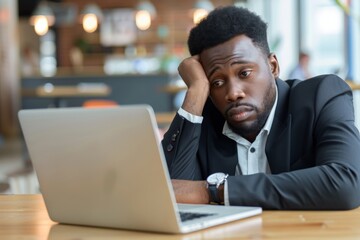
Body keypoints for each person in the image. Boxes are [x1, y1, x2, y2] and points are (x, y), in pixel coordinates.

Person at [161, 6, 360, 210]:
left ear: (273, 66)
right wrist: (196, 90)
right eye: (217, 82)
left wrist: (214, 190)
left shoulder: (321, 96)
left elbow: (346, 182)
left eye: (244, 73)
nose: (233, 93)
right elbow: (171, 194)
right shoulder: (201, 118)